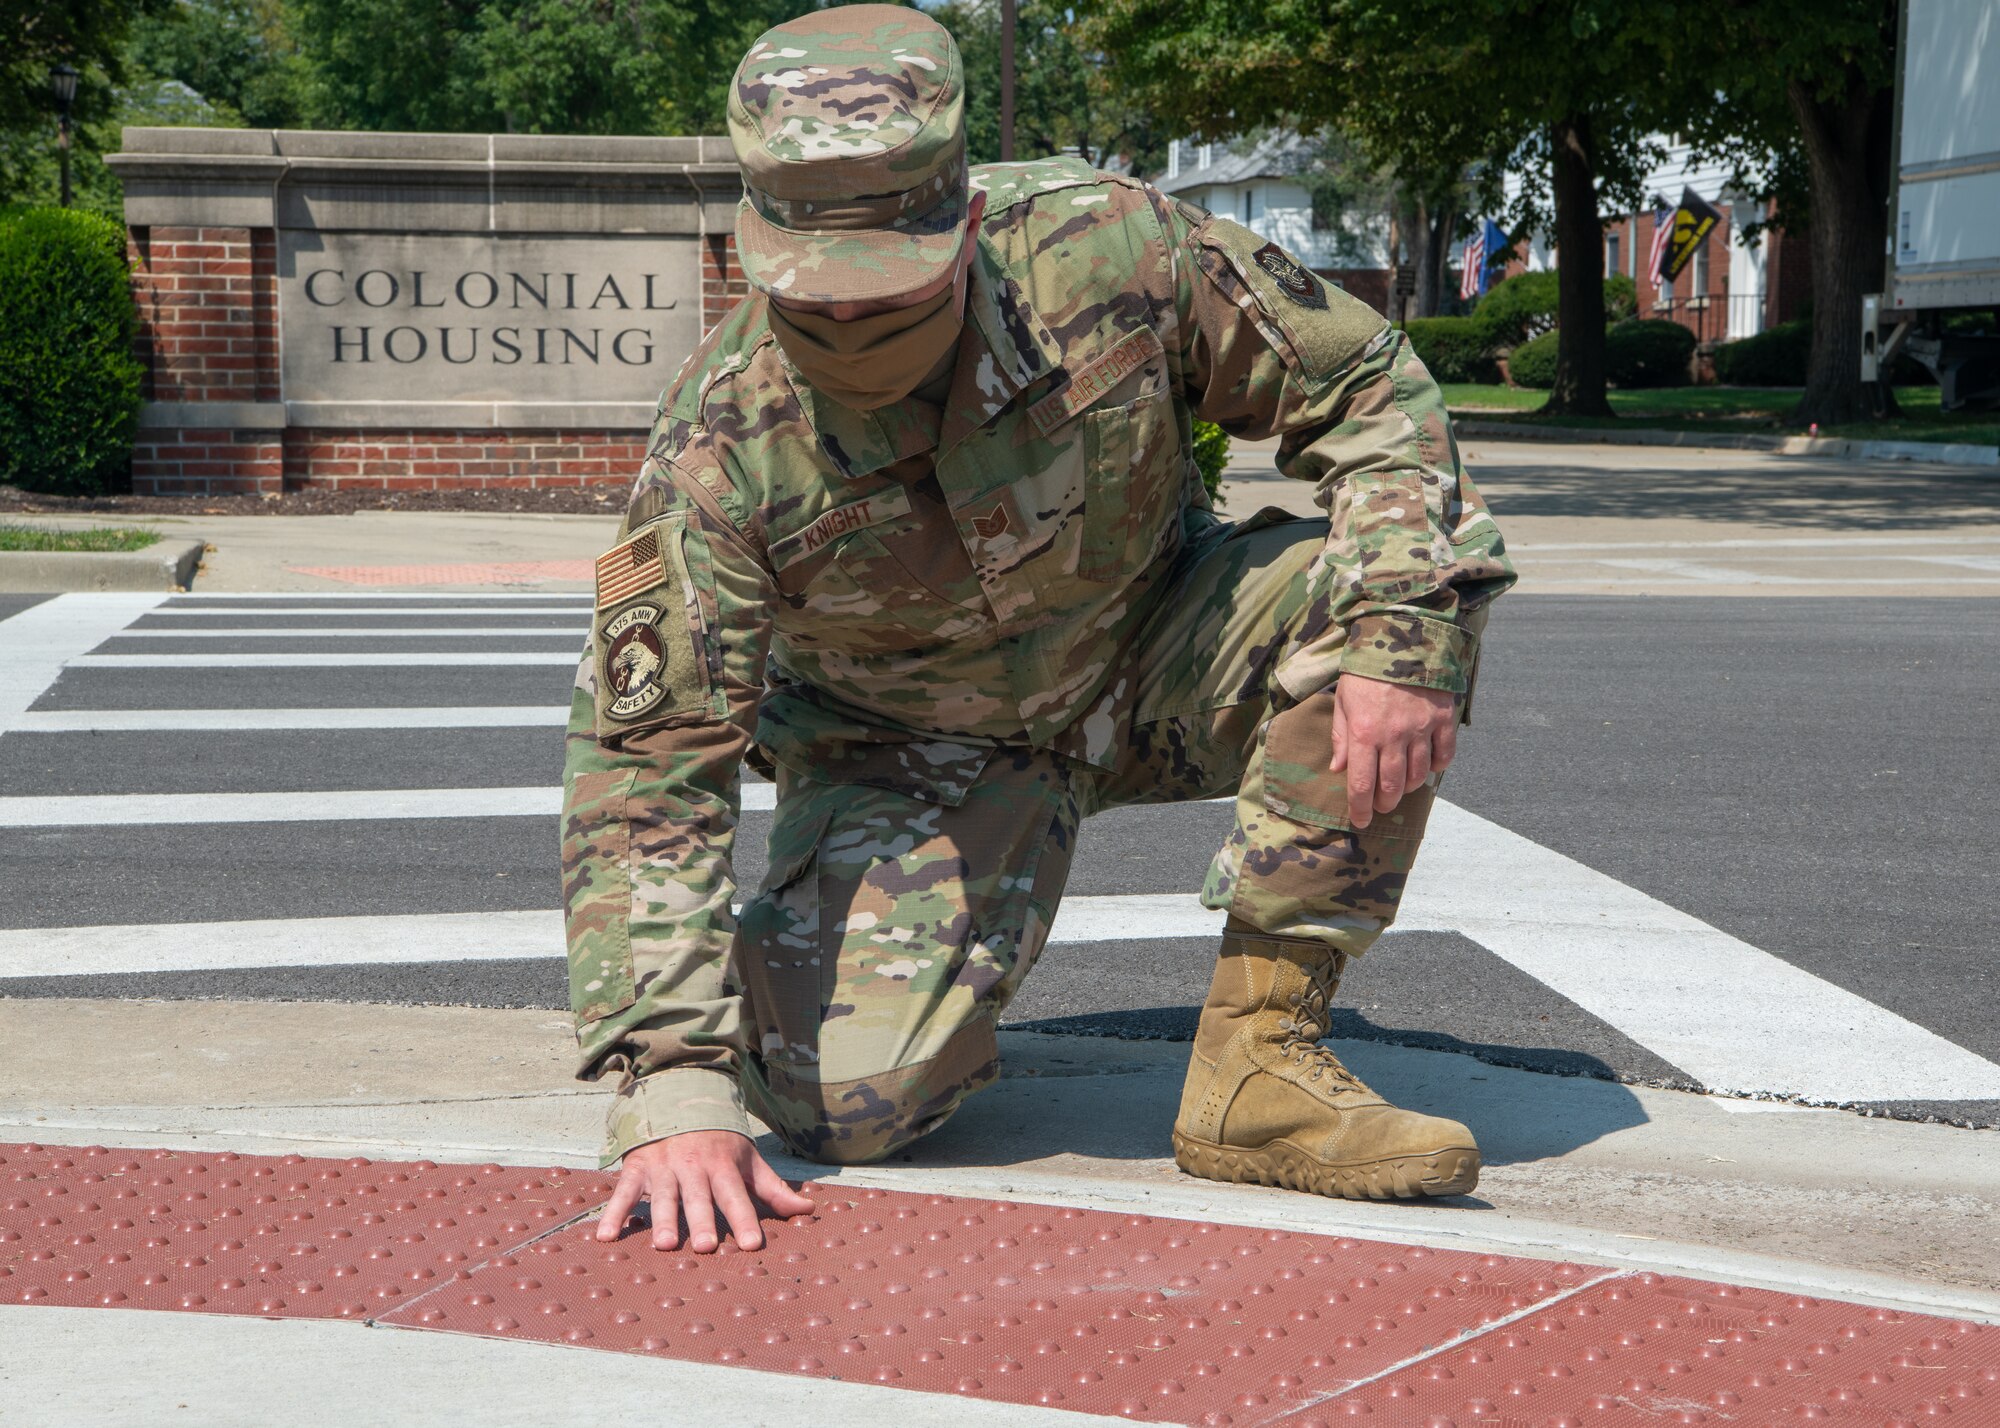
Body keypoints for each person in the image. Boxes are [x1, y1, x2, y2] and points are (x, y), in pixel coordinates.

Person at [561, 4, 1515, 1255]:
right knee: (843, 1104)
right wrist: (672, 1084)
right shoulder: (718, 445)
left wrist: (1400, 625)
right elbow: (646, 770)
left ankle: (1257, 1062)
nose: (849, 329)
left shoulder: (1110, 248)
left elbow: (1363, 381)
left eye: (883, 295)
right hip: (907, 746)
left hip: (1160, 647)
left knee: (1395, 602)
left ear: (959, 225)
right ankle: (816, 957)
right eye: (815, 303)